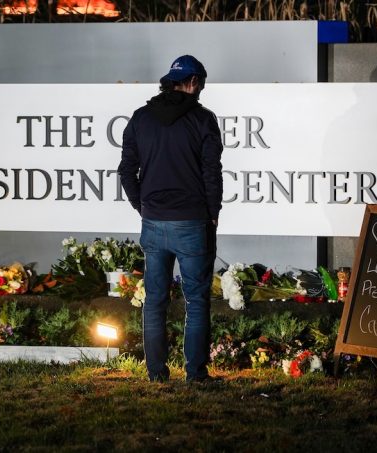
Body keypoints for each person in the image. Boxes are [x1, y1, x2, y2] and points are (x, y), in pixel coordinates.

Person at [118, 55, 223, 382]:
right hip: (193, 222)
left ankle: (156, 374)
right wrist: (213, 213)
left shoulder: (140, 118)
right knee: (196, 301)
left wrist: (143, 207)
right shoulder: (203, 120)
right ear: (192, 82)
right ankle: (195, 375)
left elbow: (126, 171)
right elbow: (211, 173)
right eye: (201, 86)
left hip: (154, 223)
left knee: (154, 302)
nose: (201, 92)